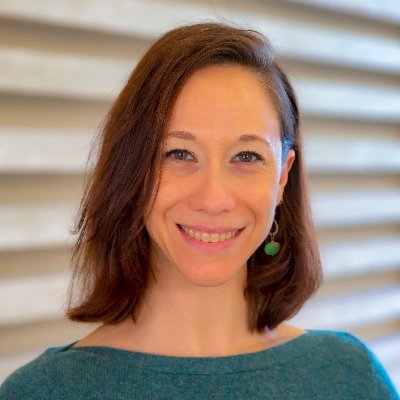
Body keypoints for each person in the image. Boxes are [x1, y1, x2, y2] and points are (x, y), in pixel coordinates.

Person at [0, 22, 398, 400]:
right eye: (179, 153)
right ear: (132, 169)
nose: (212, 198)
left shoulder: (347, 377)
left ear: (282, 179)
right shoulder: (45, 391)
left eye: (246, 155)